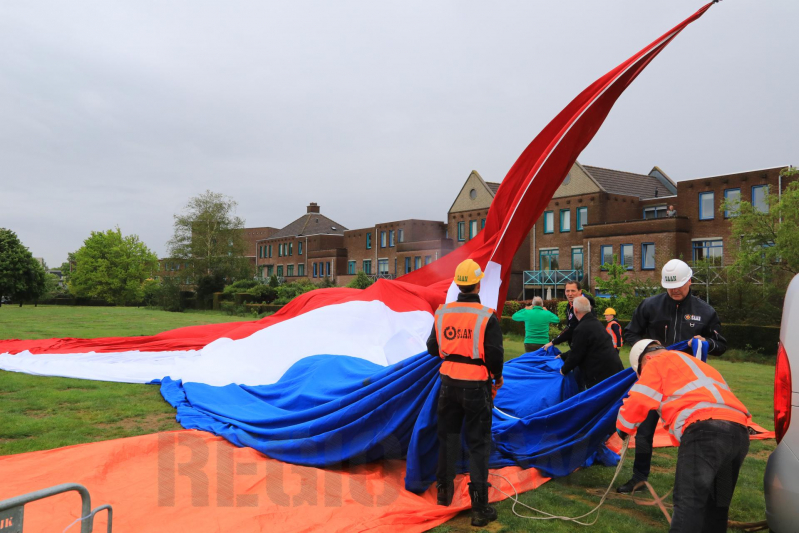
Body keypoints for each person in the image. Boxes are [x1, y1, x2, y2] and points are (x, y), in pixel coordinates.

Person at [618, 258, 727, 494]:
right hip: (653, 381)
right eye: (670, 286)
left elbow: (721, 344)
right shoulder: (649, 305)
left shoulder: (705, 311)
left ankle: (692, 484)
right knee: (645, 432)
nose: (675, 290)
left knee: (690, 434)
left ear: (689, 280)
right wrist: (647, 349)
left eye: (679, 285)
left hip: (685, 386)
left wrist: (706, 342)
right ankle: (639, 478)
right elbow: (631, 333)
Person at [617, 339, 750, 532]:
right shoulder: (697, 365)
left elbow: (638, 399)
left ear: (645, 359)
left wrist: (623, 428)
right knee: (717, 508)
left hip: (704, 432)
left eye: (640, 372)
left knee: (689, 505)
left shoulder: (656, 362)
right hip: (738, 433)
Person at [426, 258, 504, 527]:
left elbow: (432, 348)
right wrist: (497, 377)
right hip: (476, 385)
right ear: (478, 283)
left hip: (447, 384)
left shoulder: (442, 312)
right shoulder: (486, 315)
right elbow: (495, 355)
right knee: (478, 444)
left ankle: (443, 495)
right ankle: (480, 508)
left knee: (447, 440)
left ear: (459, 284)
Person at [558, 297, 624, 389]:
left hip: (600, 374)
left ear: (575, 310)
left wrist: (563, 370)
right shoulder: (596, 323)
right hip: (614, 369)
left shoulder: (582, 328)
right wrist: (563, 356)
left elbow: (576, 354)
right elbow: (584, 347)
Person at [542, 280, 596, 350]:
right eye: (567, 291)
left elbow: (571, 328)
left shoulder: (584, 306)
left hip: (586, 347)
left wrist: (552, 342)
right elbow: (569, 325)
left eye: (573, 291)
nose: (570, 294)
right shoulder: (570, 304)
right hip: (576, 346)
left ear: (580, 291)